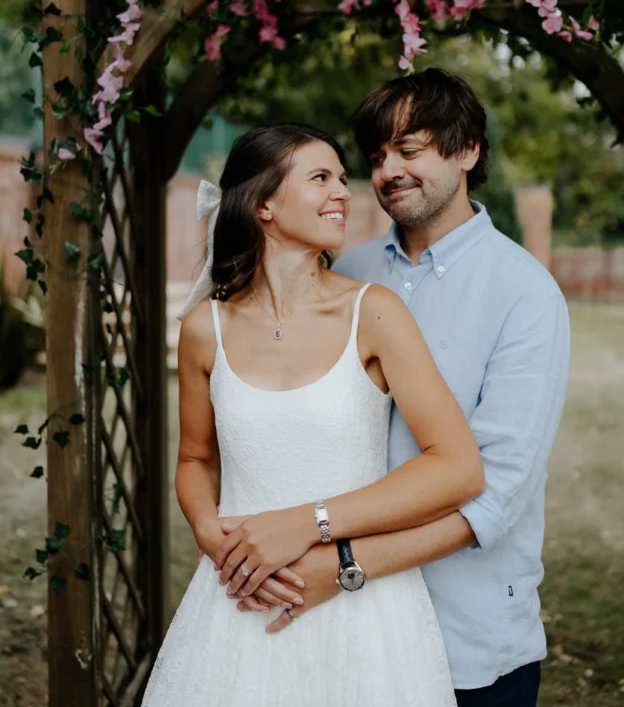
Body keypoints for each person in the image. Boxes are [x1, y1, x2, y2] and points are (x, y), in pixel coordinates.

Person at [237, 70, 570, 707]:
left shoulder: (526, 296)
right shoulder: (347, 271)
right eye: (376, 157)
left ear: (468, 149)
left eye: (409, 150)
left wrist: (340, 566)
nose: (388, 170)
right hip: (339, 635)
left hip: (465, 641)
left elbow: (496, 496)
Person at [142, 122, 484, 707]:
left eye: (342, 179)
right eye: (321, 177)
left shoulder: (373, 313)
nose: (344, 193)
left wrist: (309, 523)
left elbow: (457, 468)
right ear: (265, 204)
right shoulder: (205, 328)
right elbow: (197, 459)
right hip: (238, 599)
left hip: (364, 612)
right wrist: (209, 531)